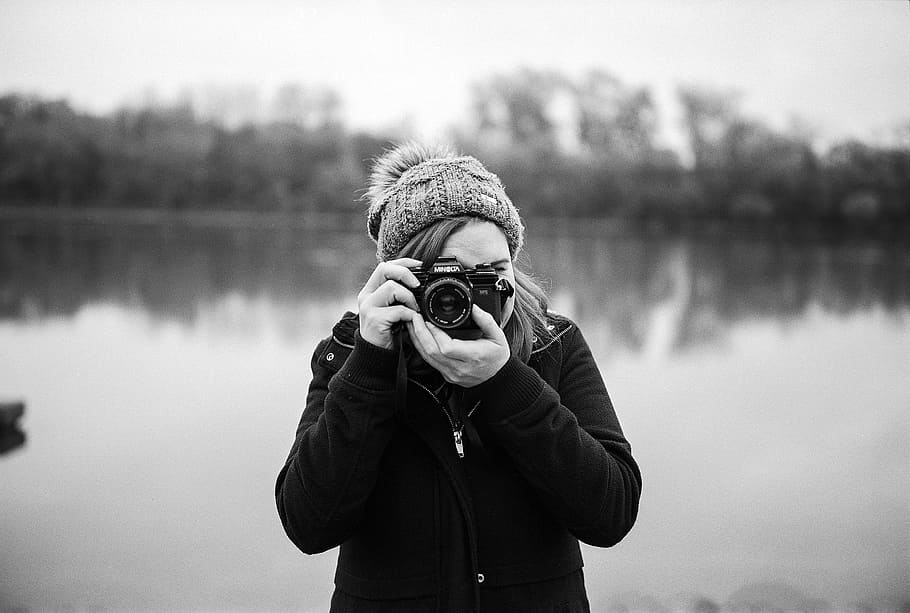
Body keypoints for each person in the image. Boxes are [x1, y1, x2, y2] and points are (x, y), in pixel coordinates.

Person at [276, 143, 641, 613]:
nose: (466, 297)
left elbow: (611, 512)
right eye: (450, 278)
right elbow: (308, 524)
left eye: (493, 273)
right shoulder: (352, 353)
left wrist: (506, 384)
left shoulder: (553, 344)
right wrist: (370, 366)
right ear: (401, 275)